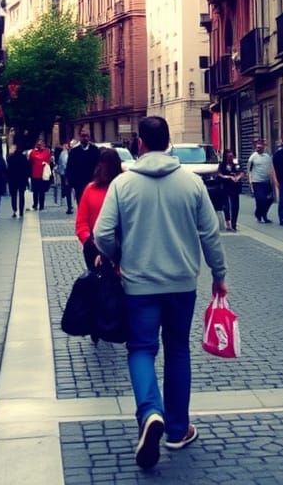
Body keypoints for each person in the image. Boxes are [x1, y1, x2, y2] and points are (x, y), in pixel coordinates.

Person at [93, 115, 227, 469]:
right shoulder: (191, 183)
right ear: (168, 144)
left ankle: (151, 411)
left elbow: (101, 234)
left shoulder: (122, 184)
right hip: (182, 284)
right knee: (178, 349)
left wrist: (118, 258)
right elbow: (210, 233)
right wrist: (219, 275)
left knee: (141, 348)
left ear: (139, 143)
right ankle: (178, 430)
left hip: (138, 285)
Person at [75, 147, 123, 268]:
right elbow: (81, 223)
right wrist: (89, 243)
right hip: (93, 246)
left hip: (120, 248)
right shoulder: (90, 189)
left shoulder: (123, 189)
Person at [66, 128, 100, 208]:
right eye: (83, 136)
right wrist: (70, 182)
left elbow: (99, 166)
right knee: (81, 204)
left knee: (92, 204)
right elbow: (70, 167)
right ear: (80, 137)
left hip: (92, 183)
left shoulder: (95, 150)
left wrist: (97, 180)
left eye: (86, 136)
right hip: (79, 184)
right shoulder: (74, 151)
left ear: (89, 137)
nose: (85, 138)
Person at [216, 148, 244, 231]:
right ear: (226, 157)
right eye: (229, 157)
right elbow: (219, 174)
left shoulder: (236, 164)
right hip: (225, 186)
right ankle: (228, 221)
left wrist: (238, 177)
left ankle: (234, 224)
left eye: (231, 156)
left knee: (235, 206)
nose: (230, 158)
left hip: (235, 187)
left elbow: (242, 172)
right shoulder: (222, 165)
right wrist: (228, 177)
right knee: (226, 205)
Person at [247, 139, 274, 223]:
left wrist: (272, 180)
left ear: (263, 147)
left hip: (266, 181)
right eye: (257, 147)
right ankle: (259, 214)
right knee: (260, 199)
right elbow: (249, 170)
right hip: (257, 182)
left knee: (270, 199)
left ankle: (263, 214)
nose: (258, 149)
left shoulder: (268, 157)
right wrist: (250, 182)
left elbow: (271, 169)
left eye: (260, 147)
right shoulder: (252, 158)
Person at [28, 134, 53, 210]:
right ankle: (37, 205)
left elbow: (49, 162)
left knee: (40, 191)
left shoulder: (45, 152)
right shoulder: (35, 152)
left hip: (41, 174)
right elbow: (30, 162)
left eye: (41, 143)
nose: (40, 144)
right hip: (36, 174)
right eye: (39, 143)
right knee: (37, 191)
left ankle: (39, 205)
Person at [7, 141, 30, 217]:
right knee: (21, 195)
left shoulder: (10, 158)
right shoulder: (23, 158)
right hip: (22, 179)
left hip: (12, 180)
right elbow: (27, 169)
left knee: (13, 195)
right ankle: (21, 211)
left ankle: (14, 210)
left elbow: (8, 170)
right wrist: (26, 179)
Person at [57, 139, 74, 214]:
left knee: (70, 191)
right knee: (68, 191)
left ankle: (70, 206)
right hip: (67, 175)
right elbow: (62, 164)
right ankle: (69, 206)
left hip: (70, 175)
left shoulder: (65, 153)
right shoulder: (64, 153)